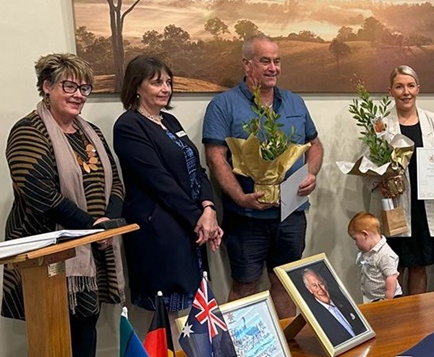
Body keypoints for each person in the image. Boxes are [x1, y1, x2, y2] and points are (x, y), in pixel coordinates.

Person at [1, 53, 124, 357]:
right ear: (46, 87)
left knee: (86, 321)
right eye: (69, 85)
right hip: (46, 253)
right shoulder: (28, 131)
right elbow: (39, 191)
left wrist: (108, 223)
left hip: (89, 248)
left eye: (84, 87)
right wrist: (91, 225)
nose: (78, 94)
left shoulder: (91, 132)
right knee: (54, 332)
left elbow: (115, 182)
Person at [203, 34, 323, 319]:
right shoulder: (223, 105)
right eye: (265, 61)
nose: (273, 68)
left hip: (291, 214)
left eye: (277, 61)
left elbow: (315, 144)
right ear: (247, 65)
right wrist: (240, 198)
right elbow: (215, 157)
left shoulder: (294, 103)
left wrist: (311, 174)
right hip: (247, 219)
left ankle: (290, 352)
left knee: (286, 282)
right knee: (245, 285)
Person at [113, 55, 222, 314]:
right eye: (156, 82)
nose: (165, 89)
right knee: (169, 315)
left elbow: (196, 168)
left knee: (195, 310)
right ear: (137, 87)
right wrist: (200, 218)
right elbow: (160, 182)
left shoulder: (169, 122)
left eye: (168, 82)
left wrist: (209, 208)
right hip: (160, 231)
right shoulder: (128, 126)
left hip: (189, 226)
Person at [375, 65, 434, 295]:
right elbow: (373, 164)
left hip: (425, 203)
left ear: (418, 88)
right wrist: (380, 179)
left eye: (410, 85)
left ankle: (418, 320)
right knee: (393, 267)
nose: (405, 92)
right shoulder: (381, 125)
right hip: (397, 203)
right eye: (399, 86)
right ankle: (396, 319)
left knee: (419, 265)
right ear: (390, 91)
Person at [299, 266, 366, 346]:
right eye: (315, 286)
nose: (321, 289)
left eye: (320, 283)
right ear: (310, 290)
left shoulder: (342, 300)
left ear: (325, 283)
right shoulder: (315, 317)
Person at [348, 211, 402, 302]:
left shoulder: (385, 254)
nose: (355, 243)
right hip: (372, 298)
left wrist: (387, 299)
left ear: (365, 235)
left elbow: (391, 277)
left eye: (355, 239)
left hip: (386, 299)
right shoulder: (368, 251)